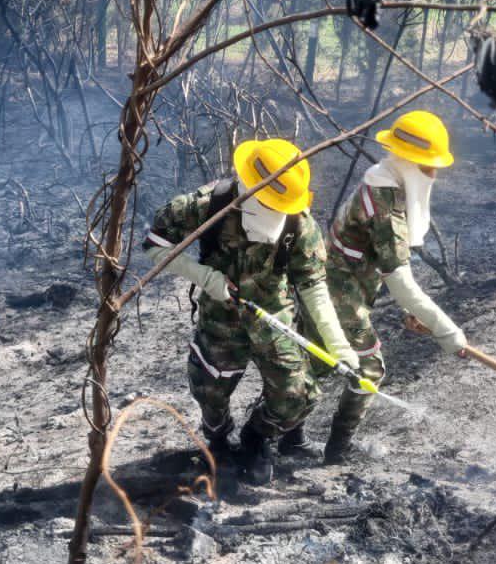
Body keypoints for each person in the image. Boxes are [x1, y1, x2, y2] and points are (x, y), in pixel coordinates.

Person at [146, 139, 359, 484]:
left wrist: (339, 345)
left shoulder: (298, 224)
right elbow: (155, 246)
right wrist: (206, 277)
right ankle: (217, 440)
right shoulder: (207, 205)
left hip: (273, 316)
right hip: (221, 317)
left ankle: (257, 438)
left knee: (297, 393)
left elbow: (313, 286)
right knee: (210, 389)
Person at [319, 110, 465, 464]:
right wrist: (449, 333)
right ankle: (336, 450)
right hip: (337, 286)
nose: (433, 175)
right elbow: (399, 280)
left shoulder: (388, 184)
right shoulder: (383, 202)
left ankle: (284, 438)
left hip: (353, 283)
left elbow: (386, 261)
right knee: (369, 369)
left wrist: (410, 311)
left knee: (316, 363)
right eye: (429, 167)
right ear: (410, 162)